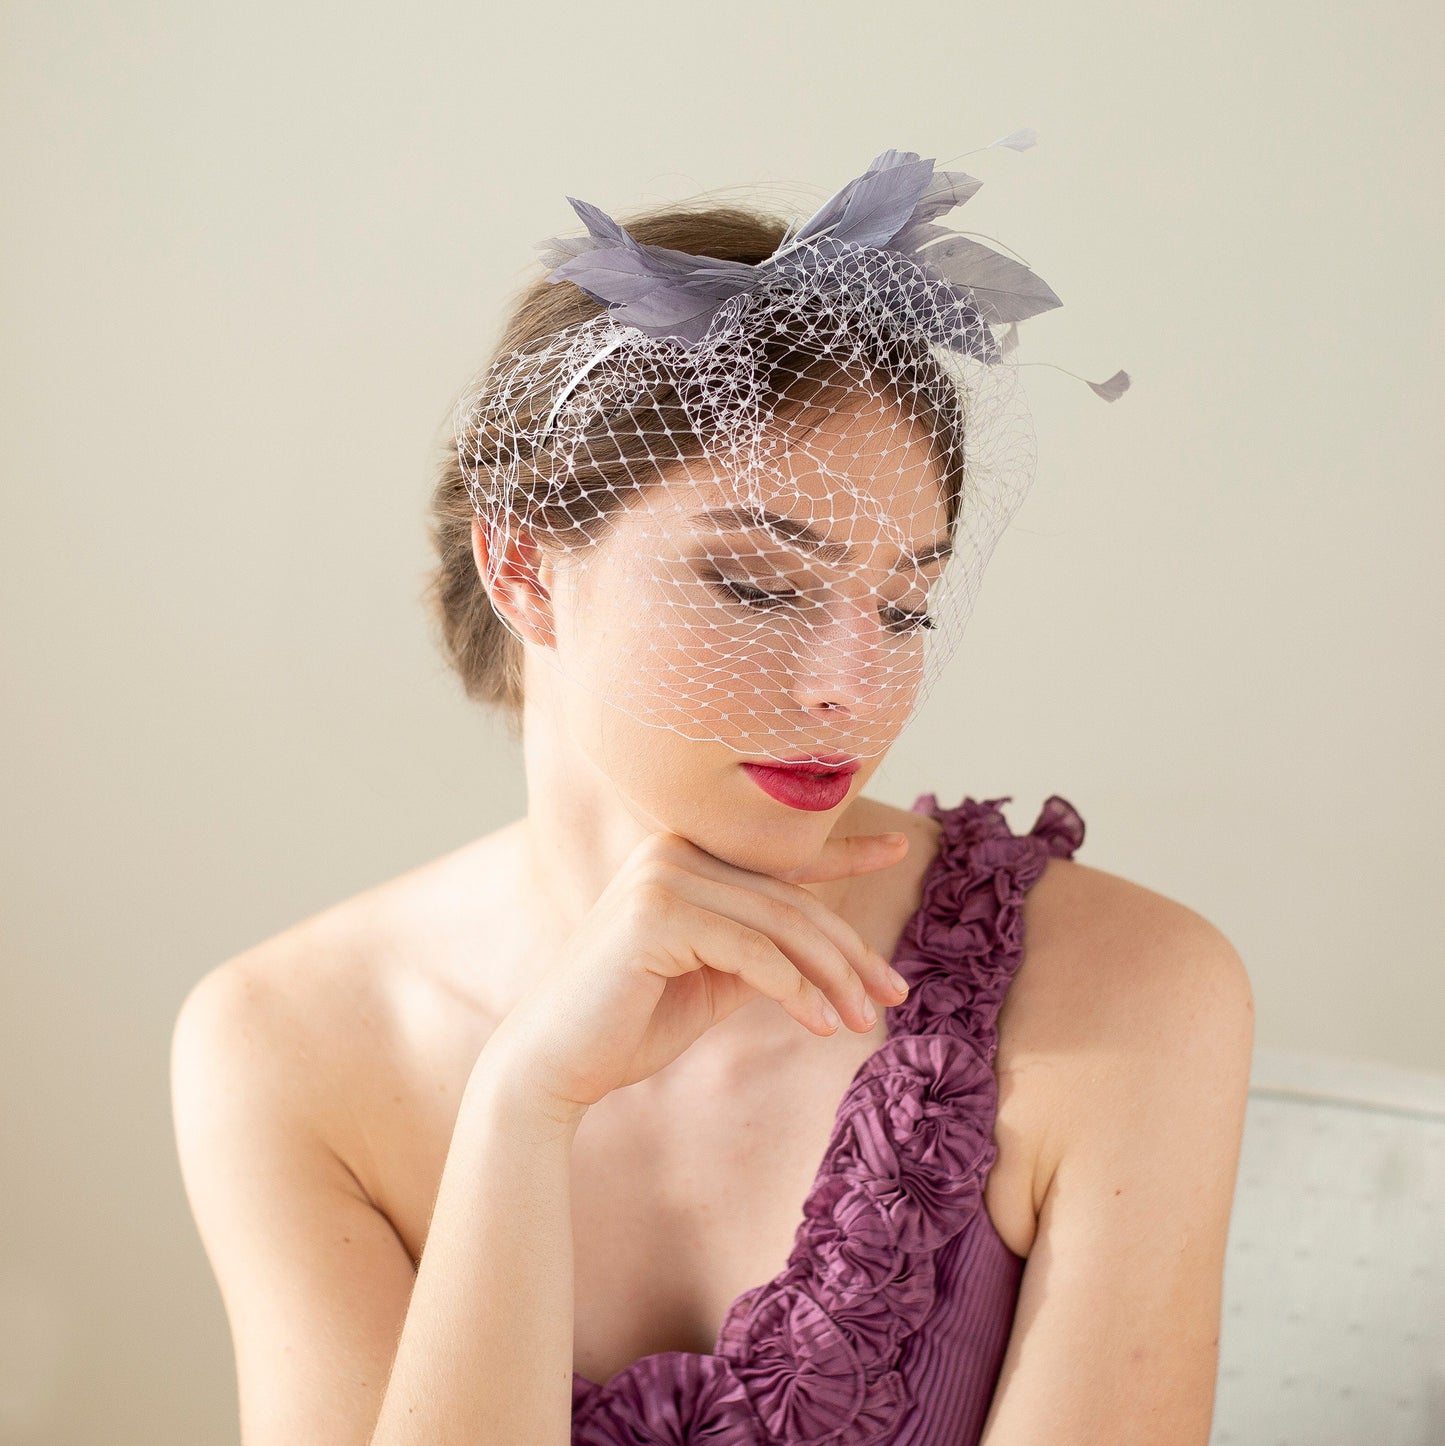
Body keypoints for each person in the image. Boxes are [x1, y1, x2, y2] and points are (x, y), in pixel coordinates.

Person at [170, 146, 1254, 1445]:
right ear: (520, 563)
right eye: (755, 584)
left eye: (903, 602)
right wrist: (521, 1108)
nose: (850, 689)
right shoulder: (287, 1042)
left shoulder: (1124, 992)